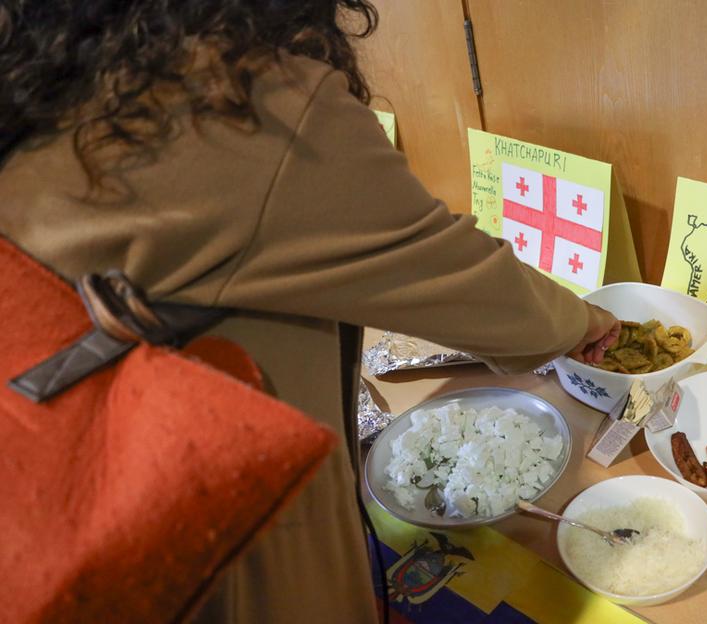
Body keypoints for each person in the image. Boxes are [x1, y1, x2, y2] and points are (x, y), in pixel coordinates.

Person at [0, 1, 620, 622]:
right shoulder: (239, 92)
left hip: (50, 492)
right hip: (207, 518)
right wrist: (581, 321)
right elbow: (460, 275)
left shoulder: (56, 74)